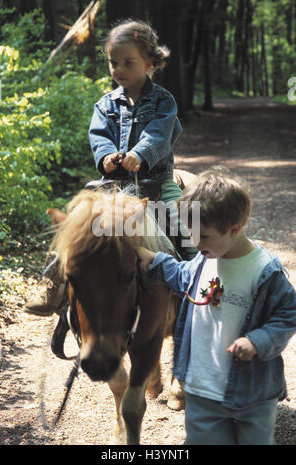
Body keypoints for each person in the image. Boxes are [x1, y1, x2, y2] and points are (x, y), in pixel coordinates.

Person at [24, 19, 196, 316]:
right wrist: (106, 158)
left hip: (156, 183)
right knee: (74, 226)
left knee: (183, 230)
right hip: (113, 185)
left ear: (150, 62)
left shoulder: (163, 101)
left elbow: (159, 133)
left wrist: (140, 154)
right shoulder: (105, 105)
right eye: (113, 63)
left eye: (128, 62)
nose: (119, 70)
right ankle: (54, 286)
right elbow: (99, 136)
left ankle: (197, 282)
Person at [137, 167, 296, 445]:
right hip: (200, 389)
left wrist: (258, 341)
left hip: (251, 395)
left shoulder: (265, 271)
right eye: (190, 234)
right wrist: (150, 258)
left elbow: (288, 313)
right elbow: (182, 276)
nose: (195, 243)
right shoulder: (204, 259)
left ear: (235, 229)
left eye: (204, 236)